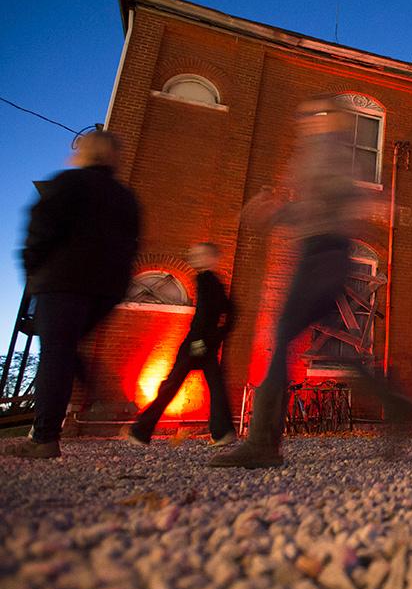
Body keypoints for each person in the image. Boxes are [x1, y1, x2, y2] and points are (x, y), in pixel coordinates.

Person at [209, 95, 412, 469]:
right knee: (332, 345)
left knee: (283, 334)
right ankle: (397, 407)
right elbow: (343, 201)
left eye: (314, 114)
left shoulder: (327, 151)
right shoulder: (330, 150)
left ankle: (263, 442)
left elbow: (327, 204)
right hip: (325, 253)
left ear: (329, 119)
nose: (306, 119)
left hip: (321, 253)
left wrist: (278, 212)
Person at [4, 130, 141, 459]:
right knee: (65, 348)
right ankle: (102, 398)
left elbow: (40, 229)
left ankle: (46, 437)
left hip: (62, 281)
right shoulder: (125, 196)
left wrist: (32, 268)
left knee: (57, 350)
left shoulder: (67, 183)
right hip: (104, 288)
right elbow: (132, 244)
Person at [128, 244, 237, 446]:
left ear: (211, 258)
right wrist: (216, 337)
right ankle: (223, 431)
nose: (194, 258)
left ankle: (141, 430)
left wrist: (198, 341)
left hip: (197, 344)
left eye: (199, 255)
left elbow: (205, 313)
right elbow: (229, 311)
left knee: (171, 386)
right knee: (216, 388)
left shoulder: (206, 280)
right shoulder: (212, 281)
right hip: (208, 343)